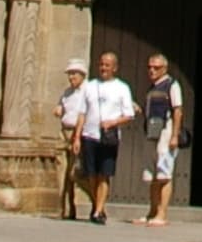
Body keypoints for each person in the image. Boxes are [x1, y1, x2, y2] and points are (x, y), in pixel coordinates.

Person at [75, 50, 135, 225]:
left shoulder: (122, 88)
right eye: (101, 64)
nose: (103, 68)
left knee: (104, 174)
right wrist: (77, 137)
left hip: (108, 137)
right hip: (89, 135)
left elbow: (129, 115)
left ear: (114, 68)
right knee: (91, 175)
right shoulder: (89, 86)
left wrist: (113, 122)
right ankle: (97, 206)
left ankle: (98, 210)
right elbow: (81, 113)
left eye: (107, 65)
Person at [139, 53, 185, 226]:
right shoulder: (152, 88)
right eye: (149, 67)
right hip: (151, 132)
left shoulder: (172, 85)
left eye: (156, 67)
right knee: (152, 175)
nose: (152, 70)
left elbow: (178, 110)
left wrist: (174, 135)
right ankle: (151, 211)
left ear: (164, 68)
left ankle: (162, 213)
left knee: (164, 174)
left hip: (165, 133)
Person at [54, 58, 90, 220]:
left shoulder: (89, 90)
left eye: (74, 73)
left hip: (79, 132)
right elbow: (63, 106)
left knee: (76, 173)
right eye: (69, 74)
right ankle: (66, 209)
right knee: (62, 172)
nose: (71, 77)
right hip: (64, 131)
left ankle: (97, 201)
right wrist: (59, 108)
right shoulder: (67, 92)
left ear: (82, 74)